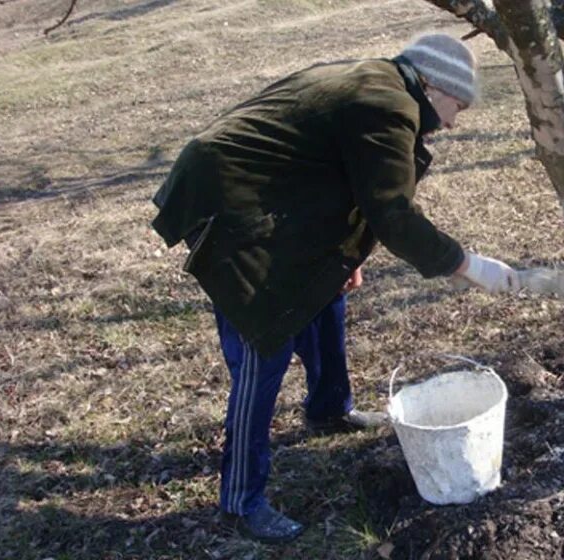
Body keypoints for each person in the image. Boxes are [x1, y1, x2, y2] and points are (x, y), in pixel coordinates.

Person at [150, 33, 521, 544]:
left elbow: (339, 175)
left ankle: (329, 409)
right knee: (265, 341)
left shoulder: (381, 85)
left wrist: (343, 254)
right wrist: (467, 265)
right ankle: (240, 501)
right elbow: (391, 210)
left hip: (271, 196)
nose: (453, 122)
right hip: (229, 201)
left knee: (326, 294)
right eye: (457, 105)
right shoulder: (386, 105)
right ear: (433, 85)